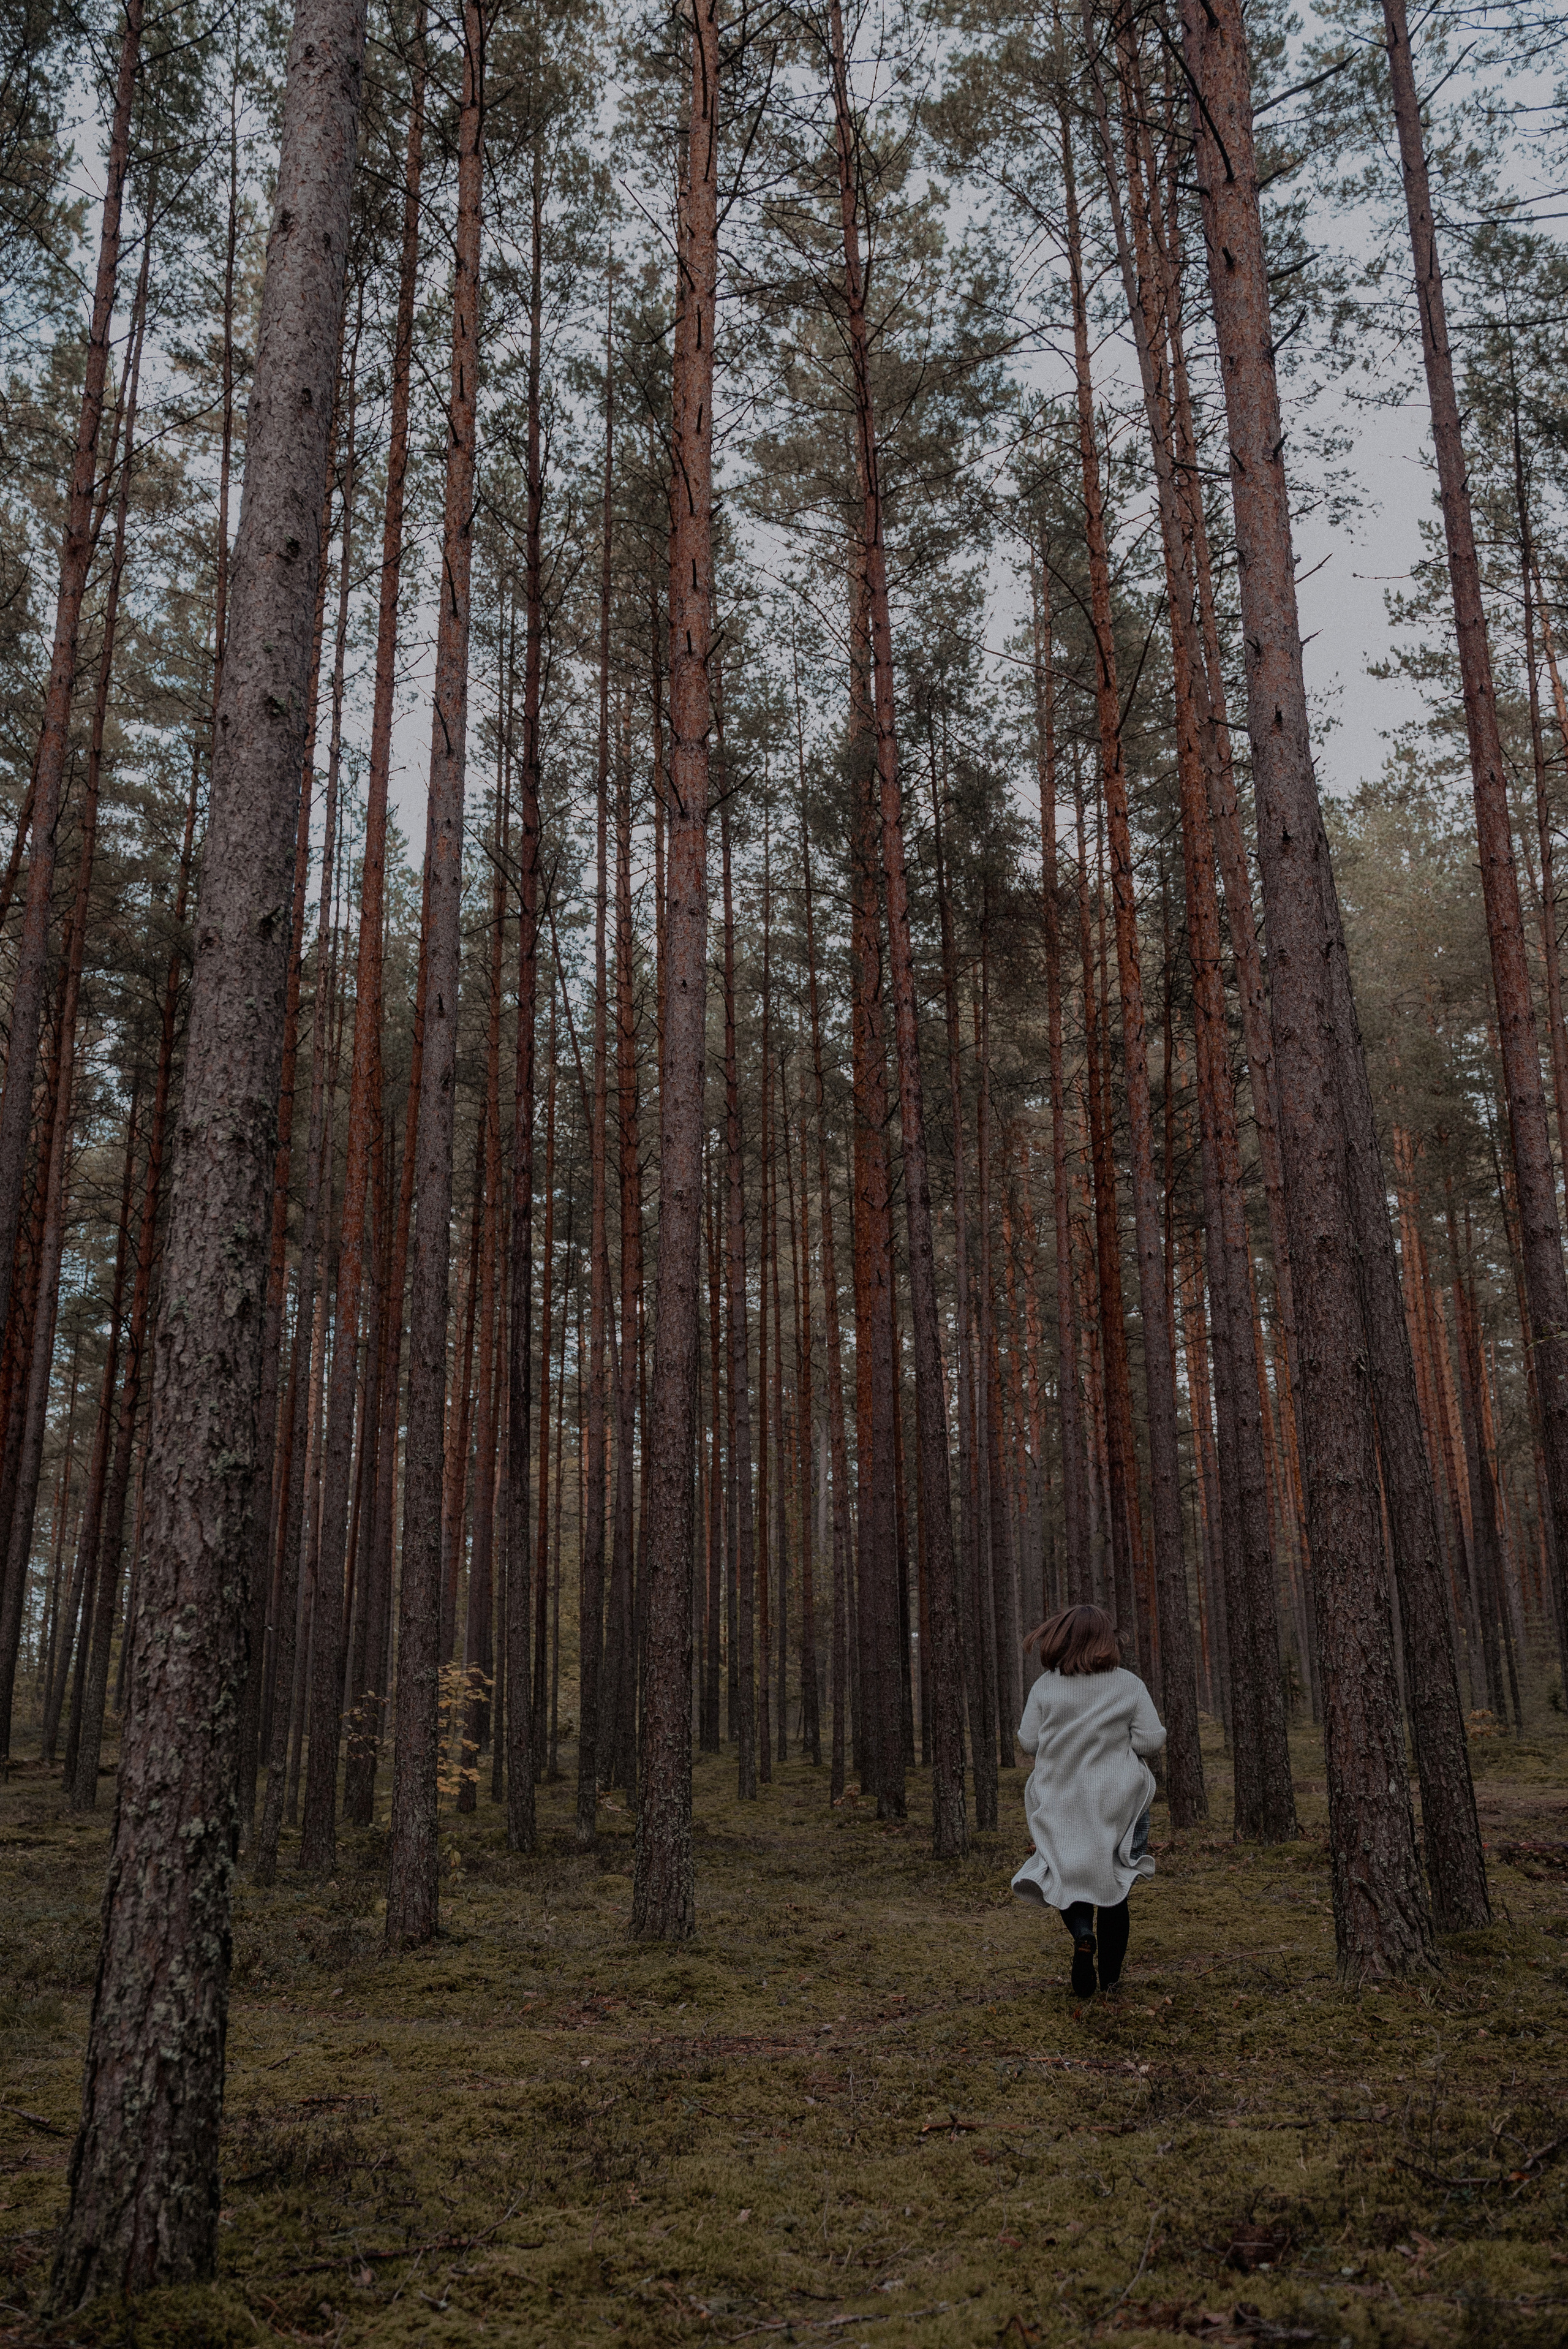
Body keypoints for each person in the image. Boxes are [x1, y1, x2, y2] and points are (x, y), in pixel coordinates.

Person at [1011, 1602, 1166, 1996]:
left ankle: (1082, 1933)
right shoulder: (1128, 1684)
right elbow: (1152, 1739)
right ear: (1106, 1640)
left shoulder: (1046, 1685)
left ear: (1060, 1638)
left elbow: (1028, 1741)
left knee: (1068, 1875)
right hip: (1119, 1799)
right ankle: (1111, 1983)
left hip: (1061, 1796)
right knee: (1115, 1882)